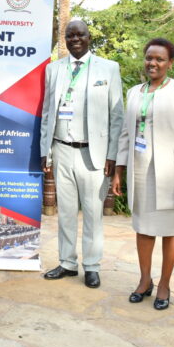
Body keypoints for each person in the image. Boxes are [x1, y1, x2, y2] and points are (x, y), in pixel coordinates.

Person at [111, 38, 174, 310]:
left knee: (171, 231)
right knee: (144, 228)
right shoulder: (135, 92)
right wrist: (118, 170)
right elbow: (126, 133)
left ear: (170, 63)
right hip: (140, 169)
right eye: (149, 57)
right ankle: (145, 280)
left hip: (173, 173)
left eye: (160, 59)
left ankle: (164, 285)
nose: (153, 63)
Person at [39, 20, 123, 288]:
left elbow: (117, 116)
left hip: (93, 154)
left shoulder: (108, 68)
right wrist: (45, 150)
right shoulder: (54, 69)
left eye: (80, 35)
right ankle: (67, 263)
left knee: (93, 213)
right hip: (61, 148)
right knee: (65, 212)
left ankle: (92, 266)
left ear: (89, 37)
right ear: (65, 39)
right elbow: (47, 112)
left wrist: (113, 154)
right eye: (70, 35)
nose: (75, 39)